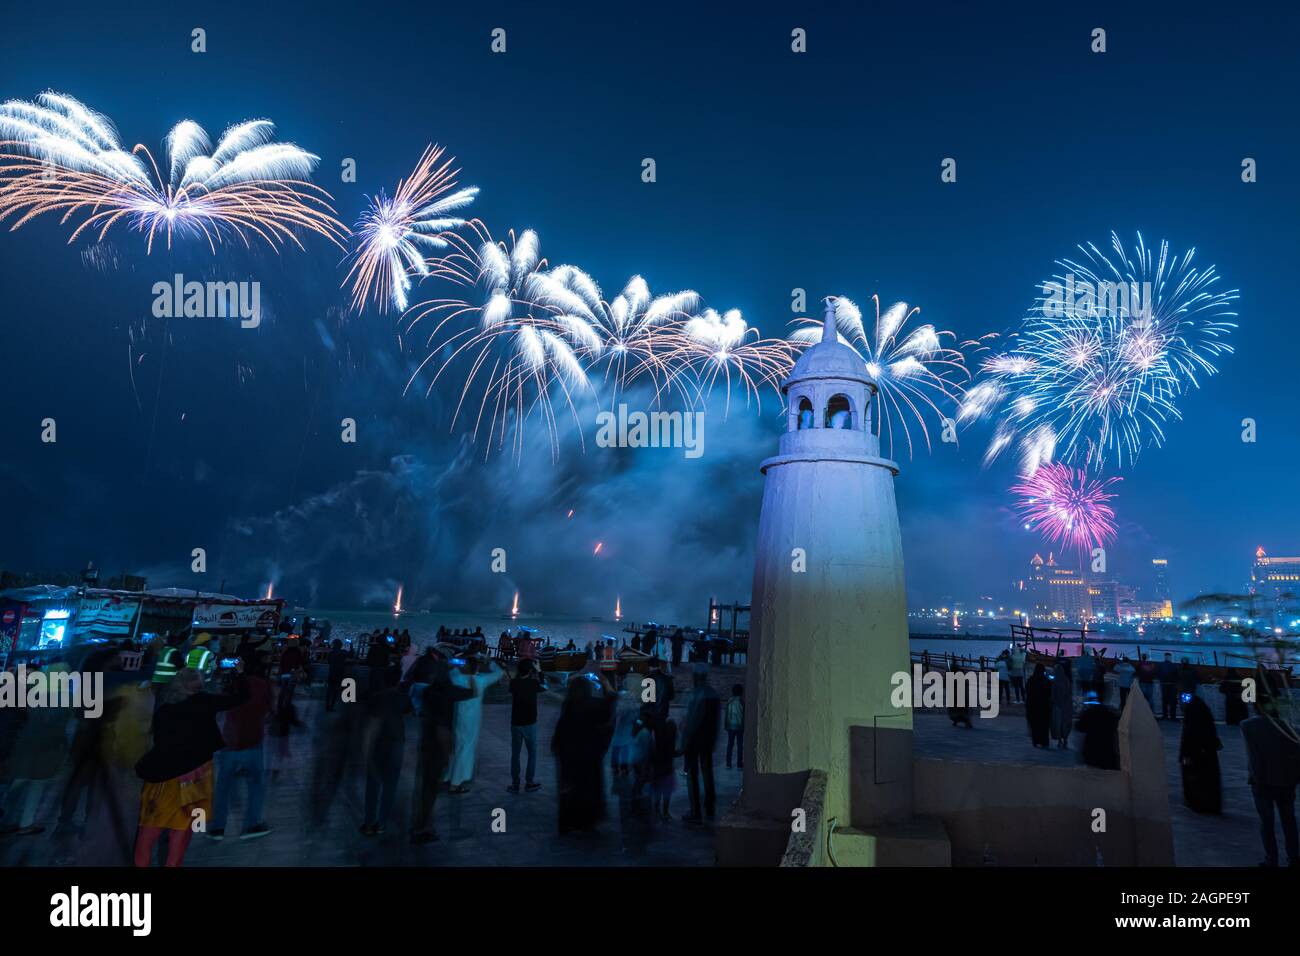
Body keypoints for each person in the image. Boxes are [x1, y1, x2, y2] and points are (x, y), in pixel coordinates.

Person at [133, 667, 247, 867]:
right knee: (185, 830)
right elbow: (240, 698)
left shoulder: (164, 710)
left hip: (161, 778)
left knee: (148, 831)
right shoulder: (204, 702)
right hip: (197, 776)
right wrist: (241, 673)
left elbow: (159, 742)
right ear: (199, 685)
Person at [410, 659, 474, 845]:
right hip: (438, 746)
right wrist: (469, 674)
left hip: (426, 743)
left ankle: (422, 825)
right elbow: (472, 693)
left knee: (424, 788)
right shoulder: (450, 692)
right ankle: (423, 829)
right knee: (431, 789)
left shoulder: (428, 692)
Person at [210, 656, 274, 840]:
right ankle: (251, 825)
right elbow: (270, 711)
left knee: (223, 785)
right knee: (255, 784)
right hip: (252, 739)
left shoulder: (234, 683)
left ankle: (217, 828)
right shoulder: (264, 685)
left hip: (229, 741)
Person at [552, 671, 615, 835]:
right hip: (588, 756)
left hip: (568, 756)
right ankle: (586, 822)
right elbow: (610, 703)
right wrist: (606, 683)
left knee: (569, 789)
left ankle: (567, 823)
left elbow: (560, 734)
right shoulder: (592, 706)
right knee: (588, 789)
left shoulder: (569, 705)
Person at [1240, 696, 1300, 867]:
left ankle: (1271, 859)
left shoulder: (1247, 726)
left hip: (1262, 782)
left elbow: (1254, 757)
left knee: (1267, 823)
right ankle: (1294, 858)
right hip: (1286, 783)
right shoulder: (1288, 727)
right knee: (1289, 821)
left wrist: (1256, 777)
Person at [360, 665, 409, 836]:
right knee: (390, 786)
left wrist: (365, 750)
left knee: (373, 785)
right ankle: (382, 823)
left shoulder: (376, 698)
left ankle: (368, 823)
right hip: (397, 743)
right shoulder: (402, 698)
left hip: (379, 744)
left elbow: (371, 727)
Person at [444, 656, 504, 793]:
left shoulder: (457, 678)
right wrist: (491, 663)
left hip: (458, 717)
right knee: (465, 749)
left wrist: (458, 660)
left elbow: (452, 668)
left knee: (456, 747)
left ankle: (448, 776)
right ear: (476, 668)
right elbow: (498, 673)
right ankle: (456, 783)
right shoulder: (480, 680)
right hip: (471, 721)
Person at [681, 664, 720, 824]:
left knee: (692, 776)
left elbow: (691, 722)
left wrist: (684, 741)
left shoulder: (694, 694)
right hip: (707, 741)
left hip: (694, 741)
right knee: (707, 774)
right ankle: (709, 808)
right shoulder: (713, 694)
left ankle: (695, 811)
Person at [1179, 691, 1222, 814]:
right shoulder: (1201, 711)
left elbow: (1188, 737)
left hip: (1194, 754)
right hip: (1205, 752)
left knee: (1196, 780)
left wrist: (1185, 755)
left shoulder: (1192, 714)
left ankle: (1198, 803)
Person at [507, 659, 545, 793]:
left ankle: (515, 784)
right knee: (532, 754)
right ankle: (529, 782)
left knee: (515, 755)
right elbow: (545, 687)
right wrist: (539, 671)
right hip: (530, 723)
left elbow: (515, 683)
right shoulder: (533, 683)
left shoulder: (514, 683)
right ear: (531, 670)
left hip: (516, 723)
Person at [1074, 691, 1119, 769]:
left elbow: (1079, 727)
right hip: (1107, 755)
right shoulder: (1111, 715)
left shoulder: (1089, 713)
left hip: (1091, 754)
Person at [149, 631, 187, 709]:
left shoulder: (163, 650)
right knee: (166, 702)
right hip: (168, 680)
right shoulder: (174, 652)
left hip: (156, 680)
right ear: (176, 641)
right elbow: (181, 666)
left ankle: (156, 718)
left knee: (158, 701)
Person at [1025, 663, 1051, 748]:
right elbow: (1049, 693)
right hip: (1044, 706)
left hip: (1033, 706)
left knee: (1034, 725)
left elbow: (1028, 693)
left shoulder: (1031, 680)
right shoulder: (1046, 681)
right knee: (1043, 725)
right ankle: (1044, 741)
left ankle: (1035, 741)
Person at [1050, 661, 1072, 749]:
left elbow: (1053, 695)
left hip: (1057, 706)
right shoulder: (1066, 680)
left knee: (1058, 724)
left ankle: (1060, 741)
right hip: (1066, 705)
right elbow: (1068, 693)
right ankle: (1065, 740)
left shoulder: (1055, 681)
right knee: (1064, 723)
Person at [325, 639, 348, 712]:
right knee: (335, 691)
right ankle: (332, 706)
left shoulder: (331, 653)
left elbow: (328, 661)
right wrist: (351, 645)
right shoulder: (343, 653)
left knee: (329, 690)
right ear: (341, 645)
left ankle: (327, 705)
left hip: (331, 673)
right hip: (339, 673)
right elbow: (350, 655)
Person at [725, 684, 744, 769]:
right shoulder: (742, 701)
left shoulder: (729, 701)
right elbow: (744, 715)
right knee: (739, 745)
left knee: (730, 745)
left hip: (730, 726)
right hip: (740, 726)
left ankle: (728, 764)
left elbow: (726, 715)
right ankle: (739, 764)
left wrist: (726, 726)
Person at [1157, 653, 1179, 720]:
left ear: (1165, 657)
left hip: (1164, 684)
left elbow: (1158, 674)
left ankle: (1165, 715)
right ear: (1170, 657)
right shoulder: (1174, 666)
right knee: (1173, 701)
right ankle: (1172, 716)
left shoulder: (1161, 665)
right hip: (1172, 685)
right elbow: (1177, 675)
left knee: (1165, 700)